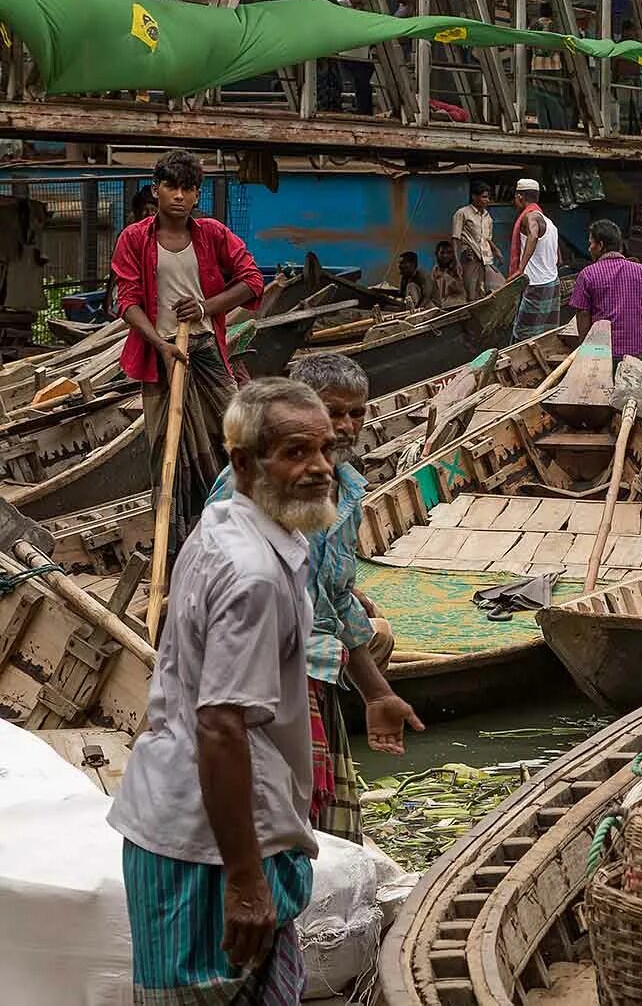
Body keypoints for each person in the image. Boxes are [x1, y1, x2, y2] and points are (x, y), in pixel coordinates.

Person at [111, 379, 339, 1006]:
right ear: (244, 463)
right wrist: (243, 880)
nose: (320, 468)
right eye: (296, 452)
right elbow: (219, 725)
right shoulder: (253, 576)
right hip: (206, 848)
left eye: (326, 449)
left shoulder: (231, 523)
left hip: (204, 828)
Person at [205, 358, 420, 846]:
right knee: (274, 831)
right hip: (264, 683)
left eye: (356, 415)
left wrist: (377, 692)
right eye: (332, 413)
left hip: (317, 671)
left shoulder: (346, 489)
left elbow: (335, 600)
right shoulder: (250, 485)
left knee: (325, 837)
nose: (346, 427)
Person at [112, 149, 265, 562]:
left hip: (205, 349)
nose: (178, 196)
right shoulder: (134, 238)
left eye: (187, 188)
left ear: (196, 194)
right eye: (170, 187)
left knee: (235, 433)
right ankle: (178, 548)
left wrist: (204, 308)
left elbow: (251, 281)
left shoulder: (213, 234)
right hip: (159, 352)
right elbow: (126, 301)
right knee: (167, 449)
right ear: (156, 190)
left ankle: (250, 530)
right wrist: (159, 344)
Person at [569, 219, 642, 379]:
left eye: (591, 243)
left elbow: (583, 315)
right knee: (632, 400)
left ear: (601, 245)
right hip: (635, 353)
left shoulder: (587, 274)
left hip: (600, 354)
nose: (589, 248)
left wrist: (585, 352)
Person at [511, 178, 562, 341]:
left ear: (520, 197)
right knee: (547, 334)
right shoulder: (549, 222)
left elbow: (532, 235)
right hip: (552, 282)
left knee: (522, 335)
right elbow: (558, 257)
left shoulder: (530, 216)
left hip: (535, 285)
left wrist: (521, 269)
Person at [452, 182, 501, 301]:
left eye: (488, 197)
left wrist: (496, 251)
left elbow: (487, 238)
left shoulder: (487, 216)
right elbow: (456, 237)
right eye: (484, 197)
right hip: (470, 257)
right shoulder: (462, 213)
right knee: (472, 293)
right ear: (474, 196)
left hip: (487, 259)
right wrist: (457, 261)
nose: (487, 200)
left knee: (496, 288)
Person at [432, 241, 467, 308]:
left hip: (457, 303)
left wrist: (445, 276)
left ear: (453, 254)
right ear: (437, 254)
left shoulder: (457, 268)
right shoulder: (436, 270)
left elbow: (460, 290)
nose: (445, 256)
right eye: (442, 253)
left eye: (449, 253)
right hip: (442, 305)